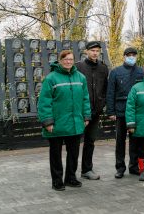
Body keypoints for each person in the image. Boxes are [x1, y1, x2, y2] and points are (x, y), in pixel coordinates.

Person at [38, 50, 91, 191]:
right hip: (56, 124)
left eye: (71, 59)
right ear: (60, 61)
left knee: (73, 153)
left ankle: (70, 178)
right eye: (65, 59)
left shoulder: (81, 78)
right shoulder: (51, 79)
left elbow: (85, 99)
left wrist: (86, 116)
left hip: (75, 123)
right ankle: (57, 181)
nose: (68, 61)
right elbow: (44, 102)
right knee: (55, 155)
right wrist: (48, 122)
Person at [106, 47, 144, 178]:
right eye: (129, 55)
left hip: (136, 112)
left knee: (136, 141)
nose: (131, 57)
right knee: (120, 141)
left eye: (134, 55)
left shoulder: (141, 71)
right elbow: (110, 92)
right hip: (120, 111)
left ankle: (134, 166)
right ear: (124, 56)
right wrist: (111, 111)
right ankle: (120, 168)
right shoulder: (115, 72)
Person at [75, 41, 109, 181]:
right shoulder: (78, 67)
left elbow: (105, 87)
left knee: (90, 141)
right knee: (75, 141)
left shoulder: (103, 68)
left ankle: (87, 169)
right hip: (81, 111)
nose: (95, 53)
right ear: (86, 52)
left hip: (96, 111)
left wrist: (102, 102)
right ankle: (71, 171)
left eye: (97, 51)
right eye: (92, 50)